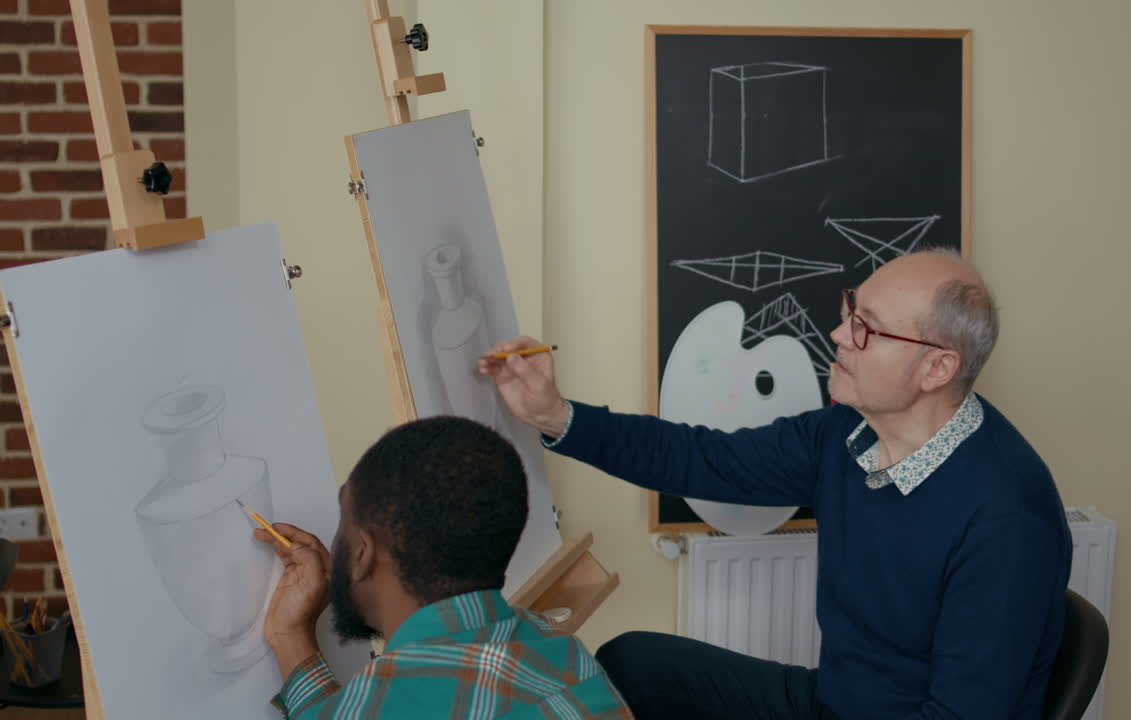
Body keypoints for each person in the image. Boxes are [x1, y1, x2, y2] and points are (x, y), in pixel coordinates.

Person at [478, 248, 1072, 720]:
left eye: (867, 329)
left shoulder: (1009, 518)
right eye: (850, 312)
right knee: (631, 663)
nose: (839, 335)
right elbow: (703, 459)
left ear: (937, 367)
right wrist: (554, 415)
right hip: (834, 703)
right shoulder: (848, 430)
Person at [256, 416, 632, 719]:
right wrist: (290, 637)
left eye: (344, 521)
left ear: (361, 554)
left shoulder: (386, 699)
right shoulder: (561, 650)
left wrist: (290, 636)